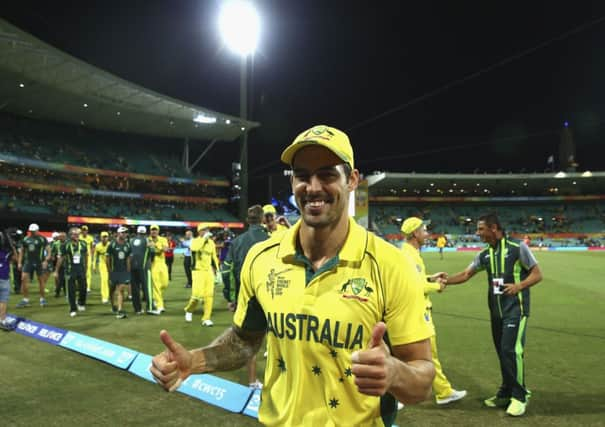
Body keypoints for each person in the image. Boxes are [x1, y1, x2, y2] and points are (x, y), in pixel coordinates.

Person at [151, 124, 435, 426]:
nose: (312, 187)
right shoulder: (261, 259)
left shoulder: (390, 264)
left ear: (352, 180)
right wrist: (193, 361)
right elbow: (244, 341)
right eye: (302, 175)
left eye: (327, 174)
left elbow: (422, 379)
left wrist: (394, 372)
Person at [445, 213, 543, 417]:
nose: (477, 233)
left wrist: (519, 286)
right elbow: (465, 274)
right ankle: (506, 392)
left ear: (494, 228)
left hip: (516, 310)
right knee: (502, 352)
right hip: (496, 312)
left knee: (510, 351)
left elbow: (537, 274)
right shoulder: (484, 254)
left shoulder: (518, 248)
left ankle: (520, 396)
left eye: (481, 229)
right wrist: (444, 281)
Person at [400, 217, 466, 405]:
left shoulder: (410, 253)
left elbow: (415, 279)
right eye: (424, 230)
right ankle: (398, 394)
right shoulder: (409, 255)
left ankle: (443, 392)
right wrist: (437, 286)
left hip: (416, 310)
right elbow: (415, 286)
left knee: (424, 354)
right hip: (416, 311)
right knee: (421, 353)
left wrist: (430, 278)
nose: (427, 234)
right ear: (415, 234)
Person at [221, 204, 269, 389]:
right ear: (263, 219)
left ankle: (252, 380)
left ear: (248, 220)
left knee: (250, 341)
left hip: (246, 298)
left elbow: (226, 271)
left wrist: (230, 297)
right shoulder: (270, 240)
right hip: (270, 296)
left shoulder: (238, 242)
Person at [184, 225, 219, 326]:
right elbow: (195, 248)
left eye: (207, 230)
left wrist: (217, 270)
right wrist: (204, 239)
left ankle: (206, 318)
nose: (207, 232)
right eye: (204, 230)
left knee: (209, 295)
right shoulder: (195, 241)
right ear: (199, 231)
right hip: (198, 271)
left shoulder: (211, 243)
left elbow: (214, 257)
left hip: (208, 272)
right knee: (196, 295)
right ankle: (189, 310)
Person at [55, 227, 88, 317]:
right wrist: (56, 270)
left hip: (81, 269)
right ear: (70, 235)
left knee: (83, 288)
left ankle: (81, 302)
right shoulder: (65, 245)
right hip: (70, 270)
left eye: (78, 234)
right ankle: (73, 308)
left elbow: (86, 256)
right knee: (71, 290)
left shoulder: (83, 243)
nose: (77, 235)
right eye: (75, 234)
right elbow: (61, 258)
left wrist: (86, 267)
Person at [16, 223, 51, 308]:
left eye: (34, 231)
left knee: (41, 281)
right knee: (23, 279)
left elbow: (49, 251)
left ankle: (42, 299)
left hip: (40, 262)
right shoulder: (26, 239)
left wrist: (46, 261)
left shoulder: (42, 239)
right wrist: (19, 262)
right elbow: (22, 252)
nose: (32, 232)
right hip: (28, 262)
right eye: (31, 231)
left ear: (37, 230)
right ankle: (25, 300)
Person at [106, 226, 131, 319]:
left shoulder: (127, 245)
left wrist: (128, 271)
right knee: (112, 290)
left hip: (123, 271)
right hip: (114, 271)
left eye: (125, 233)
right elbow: (107, 258)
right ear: (118, 233)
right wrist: (109, 271)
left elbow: (128, 258)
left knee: (121, 289)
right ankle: (113, 306)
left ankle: (120, 310)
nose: (124, 234)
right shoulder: (112, 244)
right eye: (122, 232)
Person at [130, 225, 155, 314]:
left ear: (137, 232)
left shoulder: (131, 240)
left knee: (135, 289)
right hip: (144, 267)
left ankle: (138, 309)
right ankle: (150, 308)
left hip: (132, 267)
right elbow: (152, 252)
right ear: (145, 233)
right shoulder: (147, 240)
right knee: (147, 288)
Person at [148, 225, 169, 313]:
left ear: (158, 231)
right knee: (156, 286)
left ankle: (154, 297)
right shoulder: (147, 240)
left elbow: (166, 249)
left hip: (162, 264)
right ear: (150, 231)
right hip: (152, 265)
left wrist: (155, 246)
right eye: (152, 230)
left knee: (164, 284)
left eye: (155, 230)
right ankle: (160, 305)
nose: (154, 232)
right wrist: (158, 248)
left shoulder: (163, 239)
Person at [0, 230, 18, 330]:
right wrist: (13, 247)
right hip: (3, 277)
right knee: (3, 300)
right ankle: (2, 320)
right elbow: (15, 259)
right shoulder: (7, 252)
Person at [93, 231, 111, 304]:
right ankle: (105, 297)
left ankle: (109, 294)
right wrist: (94, 265)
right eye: (103, 237)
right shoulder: (98, 246)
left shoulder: (110, 245)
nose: (105, 238)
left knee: (111, 281)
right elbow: (95, 256)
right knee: (104, 280)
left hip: (110, 265)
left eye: (106, 237)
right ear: (100, 238)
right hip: (102, 265)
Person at [49, 232, 66, 298]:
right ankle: (58, 291)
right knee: (60, 278)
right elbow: (52, 252)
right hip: (58, 263)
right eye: (61, 236)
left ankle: (64, 292)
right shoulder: (55, 244)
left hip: (67, 263)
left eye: (63, 236)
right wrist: (53, 257)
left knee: (65, 279)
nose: (62, 238)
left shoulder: (67, 243)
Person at [80, 225, 95, 294]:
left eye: (85, 230)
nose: (84, 231)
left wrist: (92, 255)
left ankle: (87, 287)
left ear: (87, 231)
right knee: (79, 271)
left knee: (88, 272)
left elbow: (92, 247)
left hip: (88, 257)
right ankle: (80, 285)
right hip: (80, 257)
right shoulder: (79, 237)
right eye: (83, 230)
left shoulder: (90, 238)